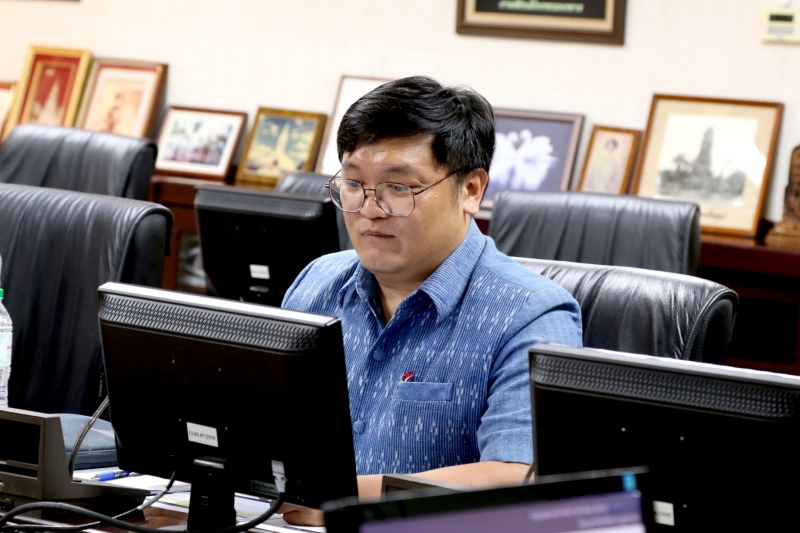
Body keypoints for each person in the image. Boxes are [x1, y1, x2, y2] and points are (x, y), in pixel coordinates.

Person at [280, 76, 582, 524]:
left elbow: (515, 478)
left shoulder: (531, 315)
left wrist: (335, 499)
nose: (370, 209)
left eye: (399, 188)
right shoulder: (318, 281)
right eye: (354, 184)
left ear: (471, 190)